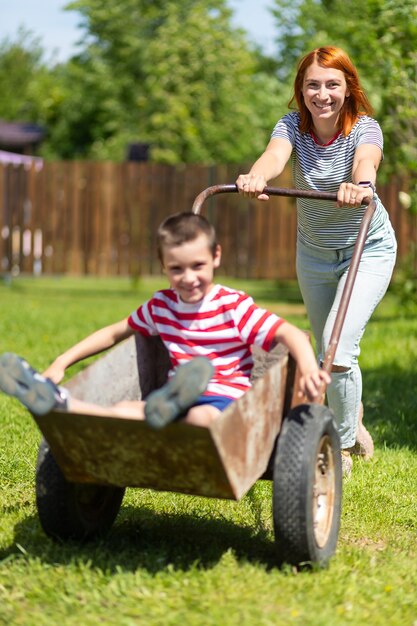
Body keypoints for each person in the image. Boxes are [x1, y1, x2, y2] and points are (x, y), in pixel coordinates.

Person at [0, 212, 330, 430]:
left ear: (216, 257)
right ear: (163, 266)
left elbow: (289, 332)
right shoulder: (162, 306)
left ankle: (171, 408)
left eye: (198, 266)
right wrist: (62, 362)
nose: (188, 278)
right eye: (177, 269)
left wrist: (308, 368)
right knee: (124, 412)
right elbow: (115, 332)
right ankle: (60, 403)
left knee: (201, 420)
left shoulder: (232, 305)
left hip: (225, 401)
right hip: (171, 398)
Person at [236, 46, 397, 475]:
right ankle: (352, 419)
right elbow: (274, 155)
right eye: (312, 84)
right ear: (301, 89)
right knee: (328, 348)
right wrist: (257, 176)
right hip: (314, 252)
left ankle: (340, 447)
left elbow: (367, 160)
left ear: (348, 89)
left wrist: (360, 184)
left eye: (332, 84)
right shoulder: (292, 125)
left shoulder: (365, 128)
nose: (321, 93)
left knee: (338, 348)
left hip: (368, 247)